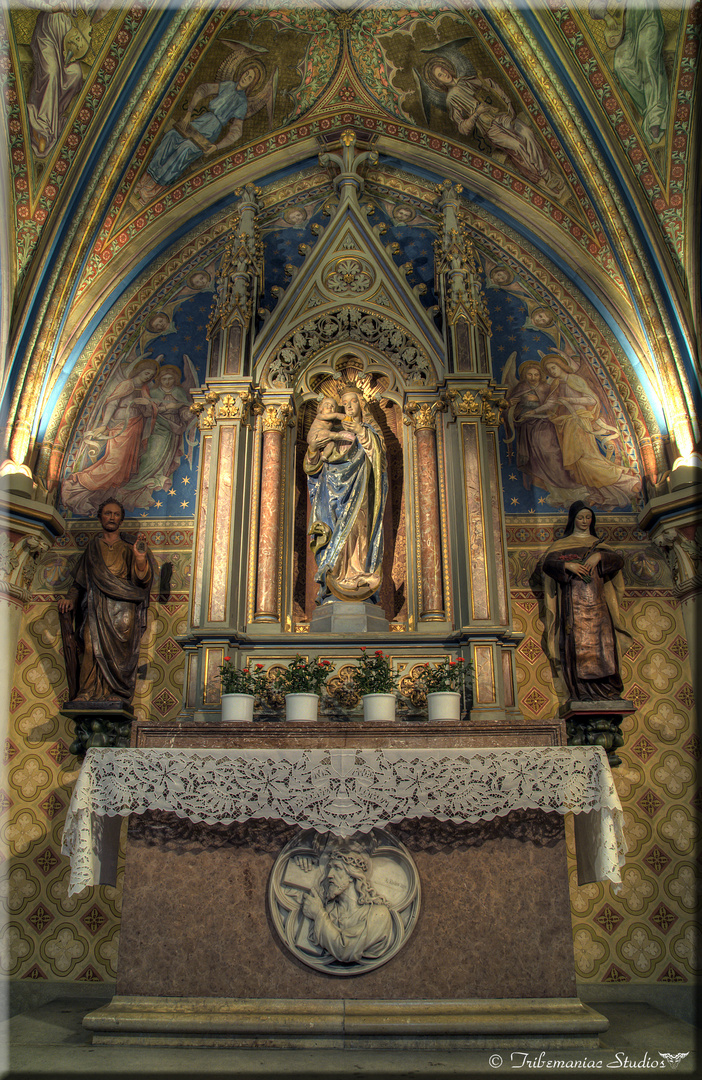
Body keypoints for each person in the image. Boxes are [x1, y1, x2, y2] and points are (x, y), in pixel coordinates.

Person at [58, 500, 154, 703]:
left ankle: (116, 693)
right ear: (100, 516)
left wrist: (139, 558)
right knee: (90, 647)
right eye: (108, 513)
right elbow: (80, 582)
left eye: (116, 514)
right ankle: (86, 692)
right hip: (96, 605)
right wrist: (70, 598)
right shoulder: (93, 547)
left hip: (123, 607)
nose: (112, 517)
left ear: (121, 519)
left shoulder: (129, 547)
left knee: (120, 654)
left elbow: (142, 581)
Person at [423, 57, 565, 196]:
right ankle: (542, 179)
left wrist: (507, 101)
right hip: (490, 129)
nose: (445, 74)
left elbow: (489, 83)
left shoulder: (465, 81)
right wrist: (475, 114)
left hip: (500, 116)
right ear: (438, 82)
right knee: (517, 146)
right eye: (440, 75)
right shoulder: (451, 98)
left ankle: (548, 175)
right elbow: (462, 128)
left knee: (526, 133)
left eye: (443, 69)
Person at [136, 59, 265, 200]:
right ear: (242, 72)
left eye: (250, 78)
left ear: (252, 83)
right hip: (199, 122)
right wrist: (188, 113)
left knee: (185, 149)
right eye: (246, 73)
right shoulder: (228, 85)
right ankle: (144, 180)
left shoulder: (242, 103)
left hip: (210, 131)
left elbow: (237, 131)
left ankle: (154, 190)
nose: (246, 78)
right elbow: (204, 89)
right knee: (171, 136)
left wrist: (216, 147)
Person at [304, 387, 387, 604]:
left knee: (358, 529)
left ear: (362, 405)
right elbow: (312, 468)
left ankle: (357, 574)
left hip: (359, 493)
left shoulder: (368, 431)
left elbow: (380, 460)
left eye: (353, 402)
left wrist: (360, 430)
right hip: (330, 494)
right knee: (332, 532)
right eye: (345, 403)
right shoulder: (331, 430)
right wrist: (313, 451)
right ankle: (333, 578)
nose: (348, 406)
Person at [542, 501, 631, 701]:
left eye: (588, 517)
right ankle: (580, 691)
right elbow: (548, 564)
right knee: (575, 646)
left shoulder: (599, 545)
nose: (584, 521)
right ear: (573, 520)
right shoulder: (561, 545)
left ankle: (608, 690)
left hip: (600, 608)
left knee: (605, 644)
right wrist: (569, 567)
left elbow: (617, 562)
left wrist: (599, 556)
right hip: (573, 607)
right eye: (580, 517)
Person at [61, 359, 159, 515]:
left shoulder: (144, 388)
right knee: (114, 463)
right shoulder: (127, 384)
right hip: (122, 427)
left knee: (123, 469)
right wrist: (104, 424)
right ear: (139, 371)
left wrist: (147, 404)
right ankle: (78, 483)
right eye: (146, 373)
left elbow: (148, 412)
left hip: (136, 428)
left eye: (151, 375)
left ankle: (94, 497)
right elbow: (112, 403)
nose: (148, 377)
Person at [539, 355, 640, 507]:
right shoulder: (556, 385)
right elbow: (551, 403)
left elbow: (592, 399)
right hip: (567, 424)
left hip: (579, 421)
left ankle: (626, 482)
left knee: (586, 459)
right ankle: (602, 494)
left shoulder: (574, 380)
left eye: (553, 368)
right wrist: (533, 411)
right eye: (548, 370)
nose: (552, 372)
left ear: (561, 365)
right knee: (578, 464)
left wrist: (570, 400)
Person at [119, 366, 196, 509]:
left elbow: (184, 411)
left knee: (165, 459)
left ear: (175, 379)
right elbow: (147, 411)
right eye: (164, 379)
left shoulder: (179, 392)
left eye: (170, 378)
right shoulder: (153, 392)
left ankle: (149, 486)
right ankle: (137, 484)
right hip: (157, 427)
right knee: (151, 456)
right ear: (159, 379)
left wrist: (189, 412)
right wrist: (166, 408)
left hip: (172, 430)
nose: (167, 381)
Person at [301, 848, 394, 964]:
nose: (329, 875)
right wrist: (300, 859)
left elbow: (345, 951)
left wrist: (318, 914)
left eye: (337, 868)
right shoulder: (330, 911)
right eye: (329, 868)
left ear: (352, 875)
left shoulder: (378, 914)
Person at [503, 360, 574, 505]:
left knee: (551, 453)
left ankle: (566, 488)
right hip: (526, 427)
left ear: (540, 375)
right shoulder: (520, 387)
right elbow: (506, 408)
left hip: (544, 424)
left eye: (536, 374)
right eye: (530, 374)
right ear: (524, 375)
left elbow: (554, 404)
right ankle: (554, 490)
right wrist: (511, 404)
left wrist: (537, 410)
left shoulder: (546, 387)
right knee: (536, 458)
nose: (533, 377)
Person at [306, 396, 356, 463]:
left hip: (325, 437)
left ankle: (324, 456)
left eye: (333, 406)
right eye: (327, 404)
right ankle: (342, 437)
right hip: (316, 435)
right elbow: (310, 466)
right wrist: (312, 449)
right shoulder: (320, 416)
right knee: (328, 433)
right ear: (320, 408)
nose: (329, 406)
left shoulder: (333, 424)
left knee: (331, 444)